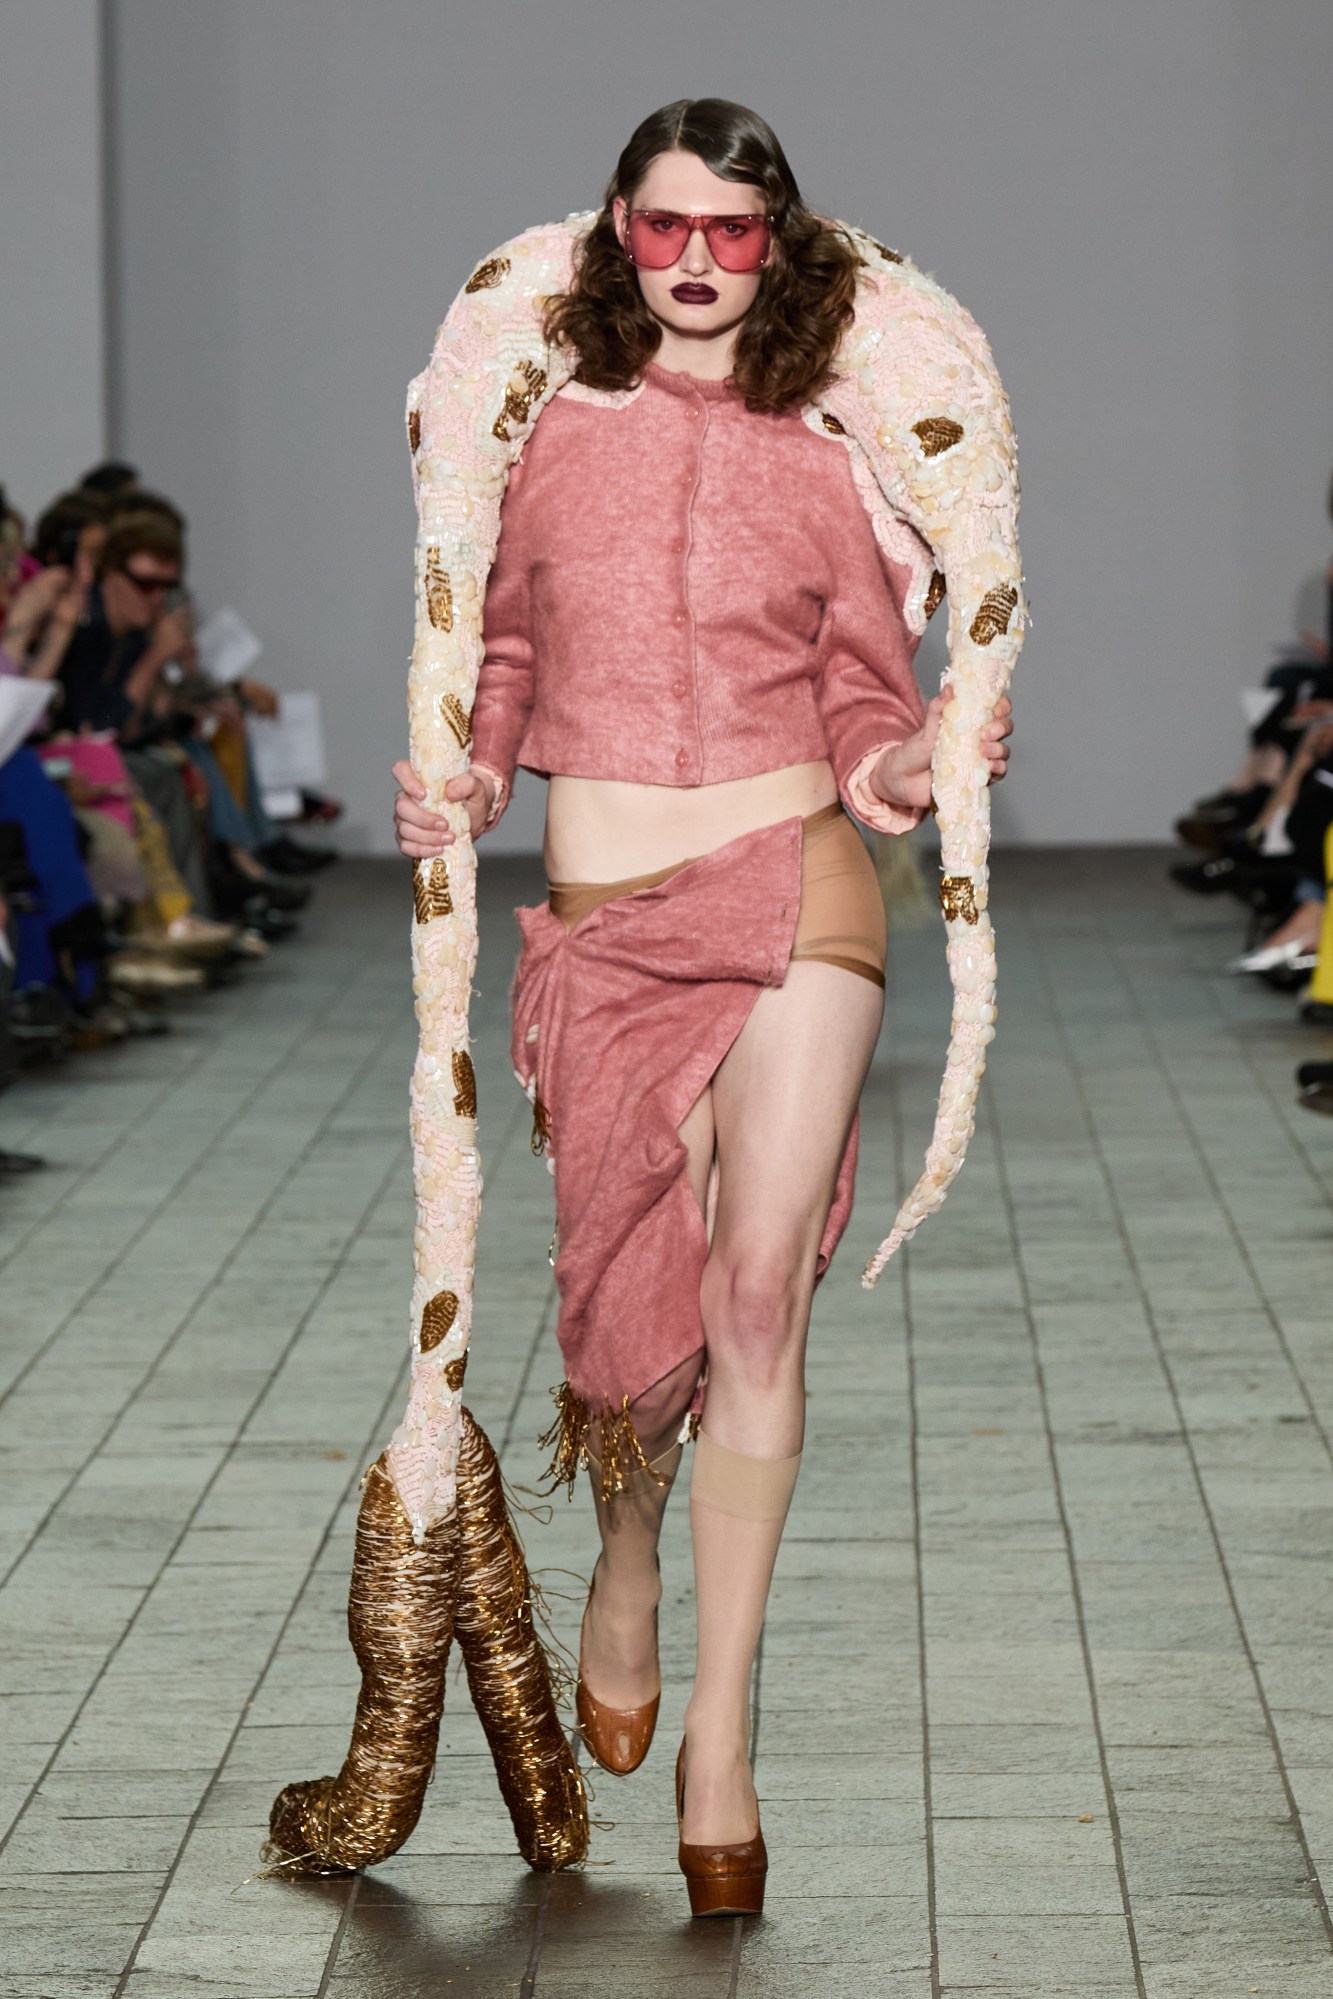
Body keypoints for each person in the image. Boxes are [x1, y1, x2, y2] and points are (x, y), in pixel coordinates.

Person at [392, 99, 1013, 1916]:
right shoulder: (545, 436)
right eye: (664, 226)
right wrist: (470, 775)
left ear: (777, 244)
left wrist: (897, 762)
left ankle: (724, 1737)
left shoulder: (829, 447)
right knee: (629, 1328)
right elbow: (502, 648)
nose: (693, 260)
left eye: (730, 232)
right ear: (615, 231)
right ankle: (629, 1555)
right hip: (604, 915)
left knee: (755, 1293)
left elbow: (858, 680)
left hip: (796, 872)